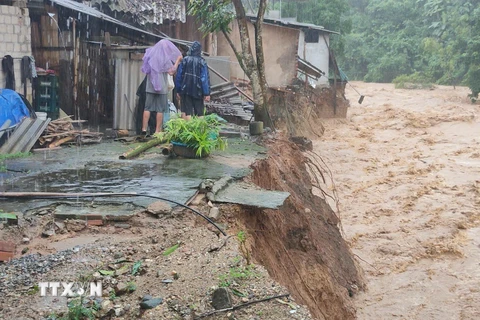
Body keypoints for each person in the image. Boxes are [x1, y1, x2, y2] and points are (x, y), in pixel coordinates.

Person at [141, 39, 182, 134]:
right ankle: (157, 131)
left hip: (150, 86)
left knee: (147, 108)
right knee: (160, 109)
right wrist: (177, 60)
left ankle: (143, 129)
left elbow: (145, 70)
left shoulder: (150, 55)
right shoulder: (165, 59)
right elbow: (172, 72)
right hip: (162, 87)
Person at [175, 41, 211, 120]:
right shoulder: (202, 62)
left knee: (187, 111)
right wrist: (206, 93)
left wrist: (178, 90)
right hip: (198, 91)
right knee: (200, 112)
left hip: (185, 89)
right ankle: (199, 131)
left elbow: (179, 76)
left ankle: (188, 129)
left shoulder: (185, 60)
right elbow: (204, 78)